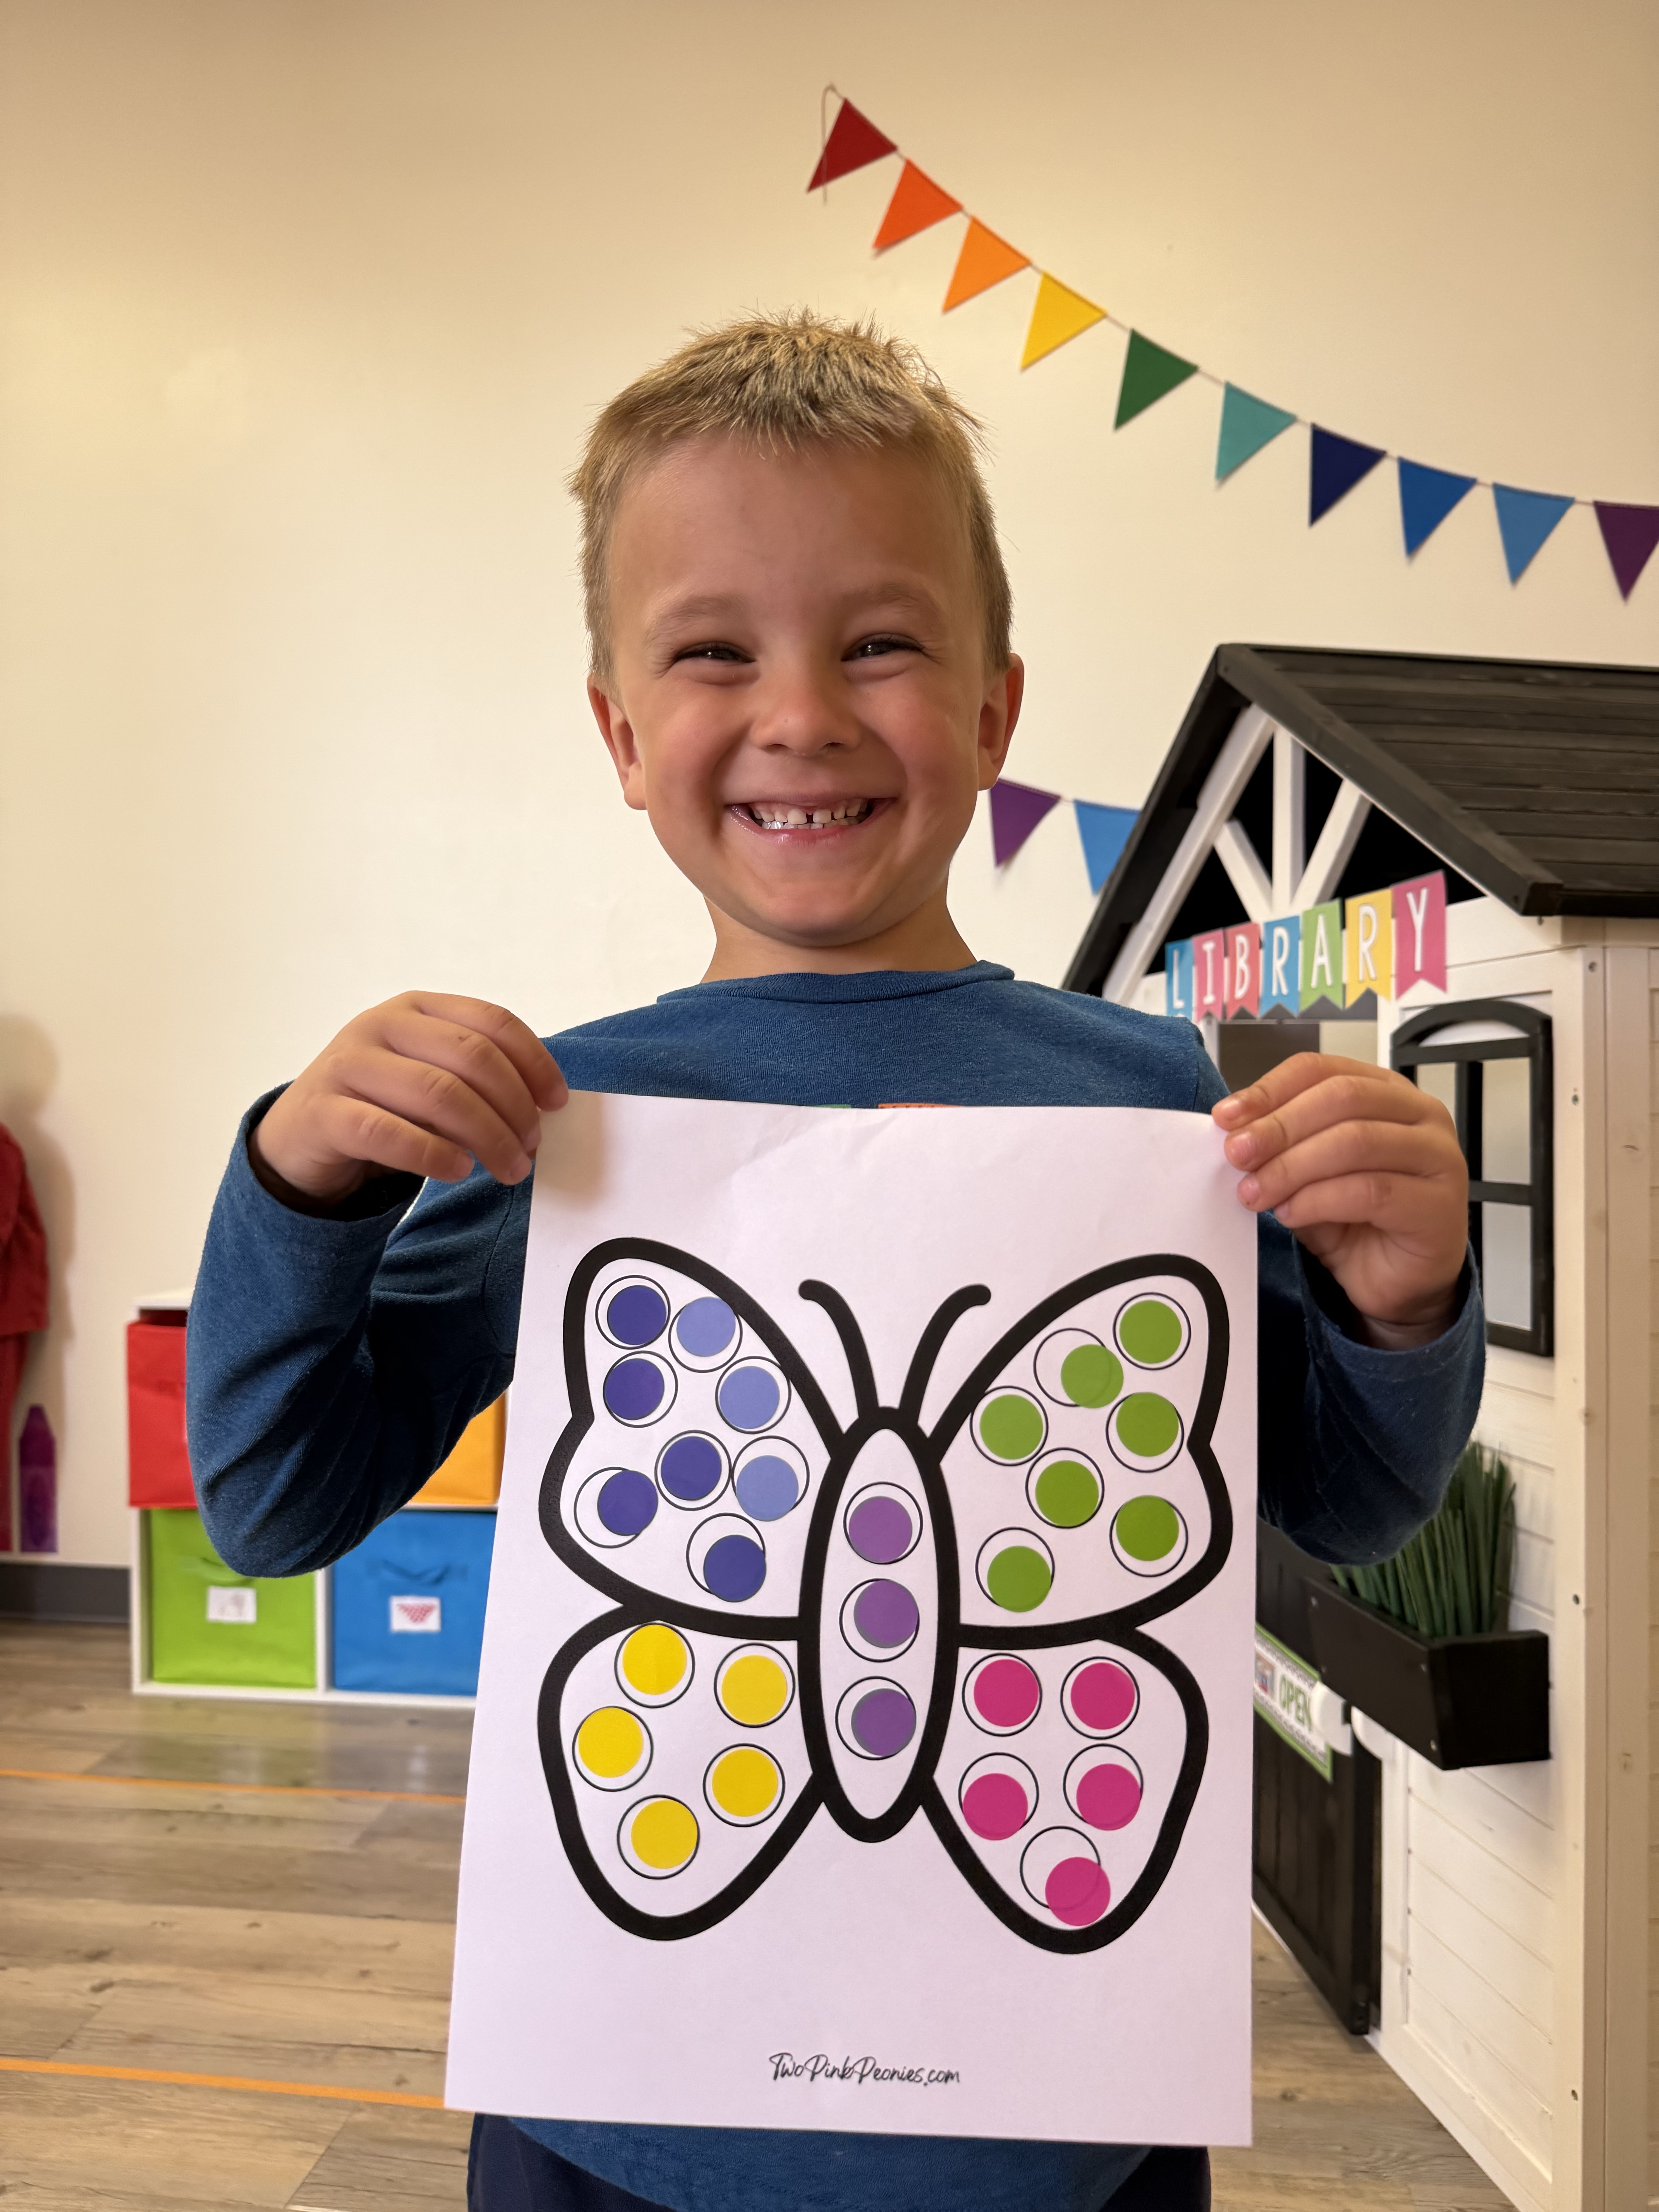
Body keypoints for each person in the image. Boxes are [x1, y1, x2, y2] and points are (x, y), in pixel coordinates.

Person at [187, 312, 1480, 2212]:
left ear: (995, 712)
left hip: (1058, 2118)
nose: (799, 713)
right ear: (623, 735)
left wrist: (1405, 1297)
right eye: (714, 651)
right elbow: (278, 1503)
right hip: (621, 2110)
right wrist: (299, 1188)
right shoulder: (563, 1123)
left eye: (879, 642)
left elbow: (1348, 1505)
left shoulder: (1161, 1108)